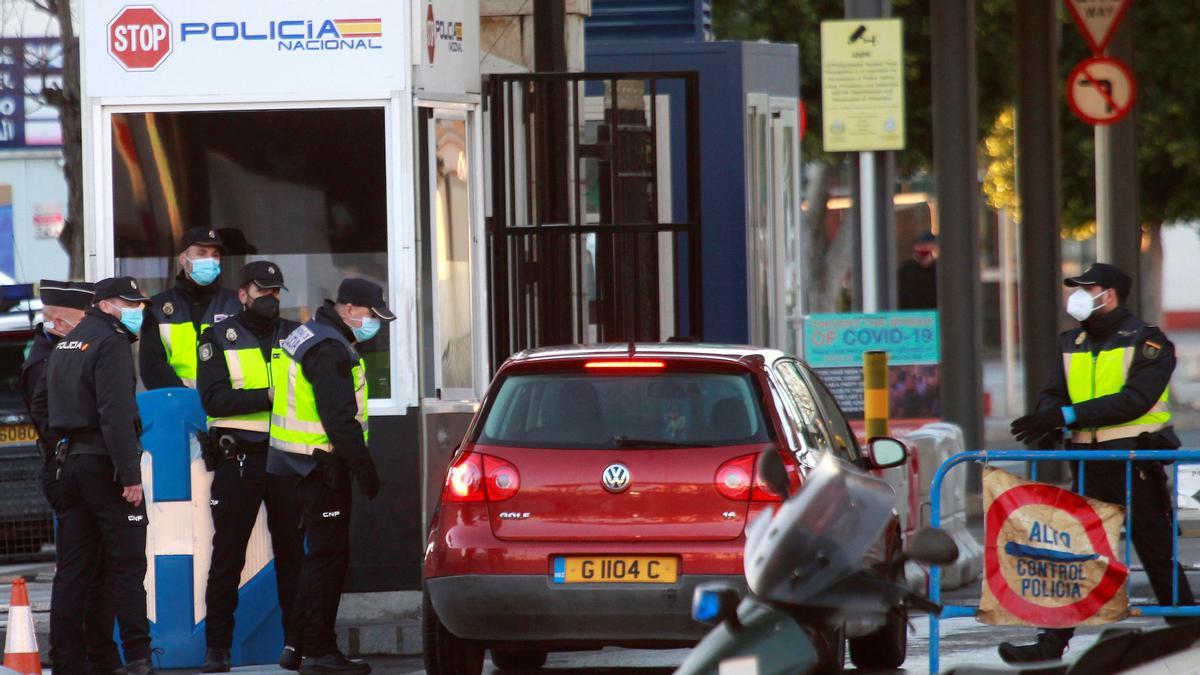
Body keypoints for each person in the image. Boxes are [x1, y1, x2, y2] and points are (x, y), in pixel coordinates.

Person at [999, 263, 1195, 663]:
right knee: (1072, 554)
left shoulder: (1148, 342)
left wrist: (1066, 416)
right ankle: (1050, 643)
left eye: (1088, 287)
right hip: (1087, 462)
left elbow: (1134, 400)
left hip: (1134, 460)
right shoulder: (1072, 341)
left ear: (1110, 294)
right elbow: (1054, 391)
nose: (1080, 294)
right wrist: (1049, 414)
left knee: (1155, 554)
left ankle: (1188, 637)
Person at [268, 279, 391, 674]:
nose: (374, 324)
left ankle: (297, 646)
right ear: (350, 309)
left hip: (294, 464)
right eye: (371, 315)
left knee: (315, 558)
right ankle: (319, 652)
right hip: (321, 466)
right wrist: (366, 472)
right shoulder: (328, 348)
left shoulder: (307, 333)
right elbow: (339, 420)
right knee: (328, 559)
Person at [37, 277, 157, 675]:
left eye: (138, 303)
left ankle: (67, 660)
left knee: (73, 569)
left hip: (70, 464)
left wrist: (59, 458)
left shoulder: (66, 344)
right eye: (128, 303)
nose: (136, 310)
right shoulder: (111, 343)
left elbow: (45, 406)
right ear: (105, 305)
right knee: (126, 565)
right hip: (103, 464)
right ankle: (139, 656)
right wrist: (129, 475)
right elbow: (116, 414)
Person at [198, 262, 304, 673]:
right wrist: (271, 396)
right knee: (227, 555)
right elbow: (215, 400)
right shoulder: (217, 338)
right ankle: (217, 649)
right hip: (239, 457)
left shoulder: (296, 335)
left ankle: (298, 644)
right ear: (243, 294)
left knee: (294, 556)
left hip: (287, 458)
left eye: (277, 291)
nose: (271, 298)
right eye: (263, 290)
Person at [20, 280, 121, 675]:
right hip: (72, 471)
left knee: (96, 570)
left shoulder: (54, 352)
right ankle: (72, 658)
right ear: (63, 319)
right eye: (86, 317)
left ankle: (94, 654)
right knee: (79, 570)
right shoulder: (47, 359)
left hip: (74, 468)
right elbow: (53, 423)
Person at [141, 227, 242, 389]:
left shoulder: (236, 304)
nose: (210, 260)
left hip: (228, 407)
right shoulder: (157, 307)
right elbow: (152, 367)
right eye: (201, 253)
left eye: (215, 255)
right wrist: (183, 399)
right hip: (179, 407)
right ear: (183, 258)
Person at [897, 230, 938, 310]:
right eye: (920, 245)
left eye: (927, 246)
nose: (923, 248)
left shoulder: (939, 272)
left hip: (934, 318)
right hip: (910, 317)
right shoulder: (905, 271)